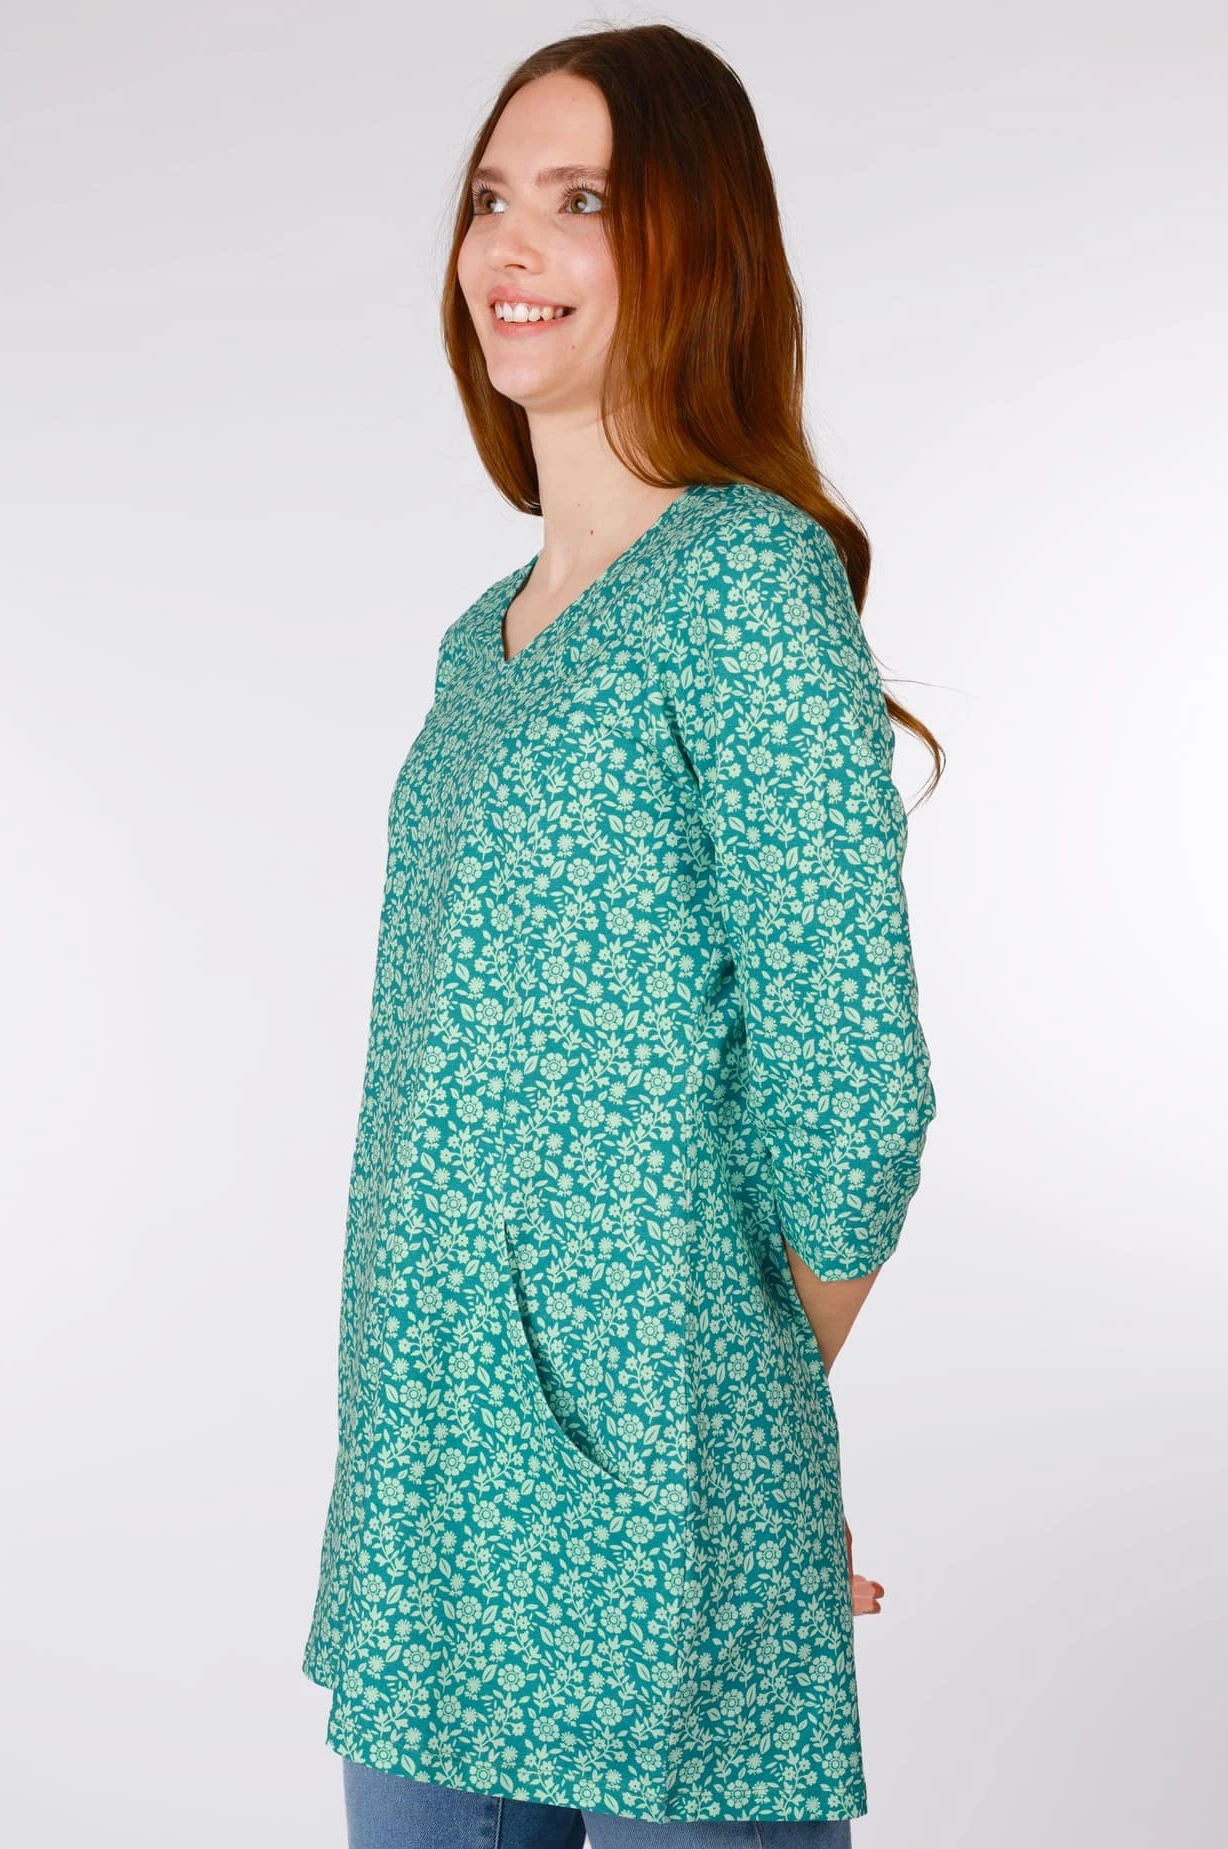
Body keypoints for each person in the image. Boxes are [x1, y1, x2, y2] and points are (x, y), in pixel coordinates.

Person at [302, 21, 943, 1847]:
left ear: (692, 245)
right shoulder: (478, 644)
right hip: (428, 1511)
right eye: (490, 197)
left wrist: (726, 1450)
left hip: (656, 1525)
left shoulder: (747, 579)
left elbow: (853, 1093)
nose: (510, 245)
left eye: (581, 200)